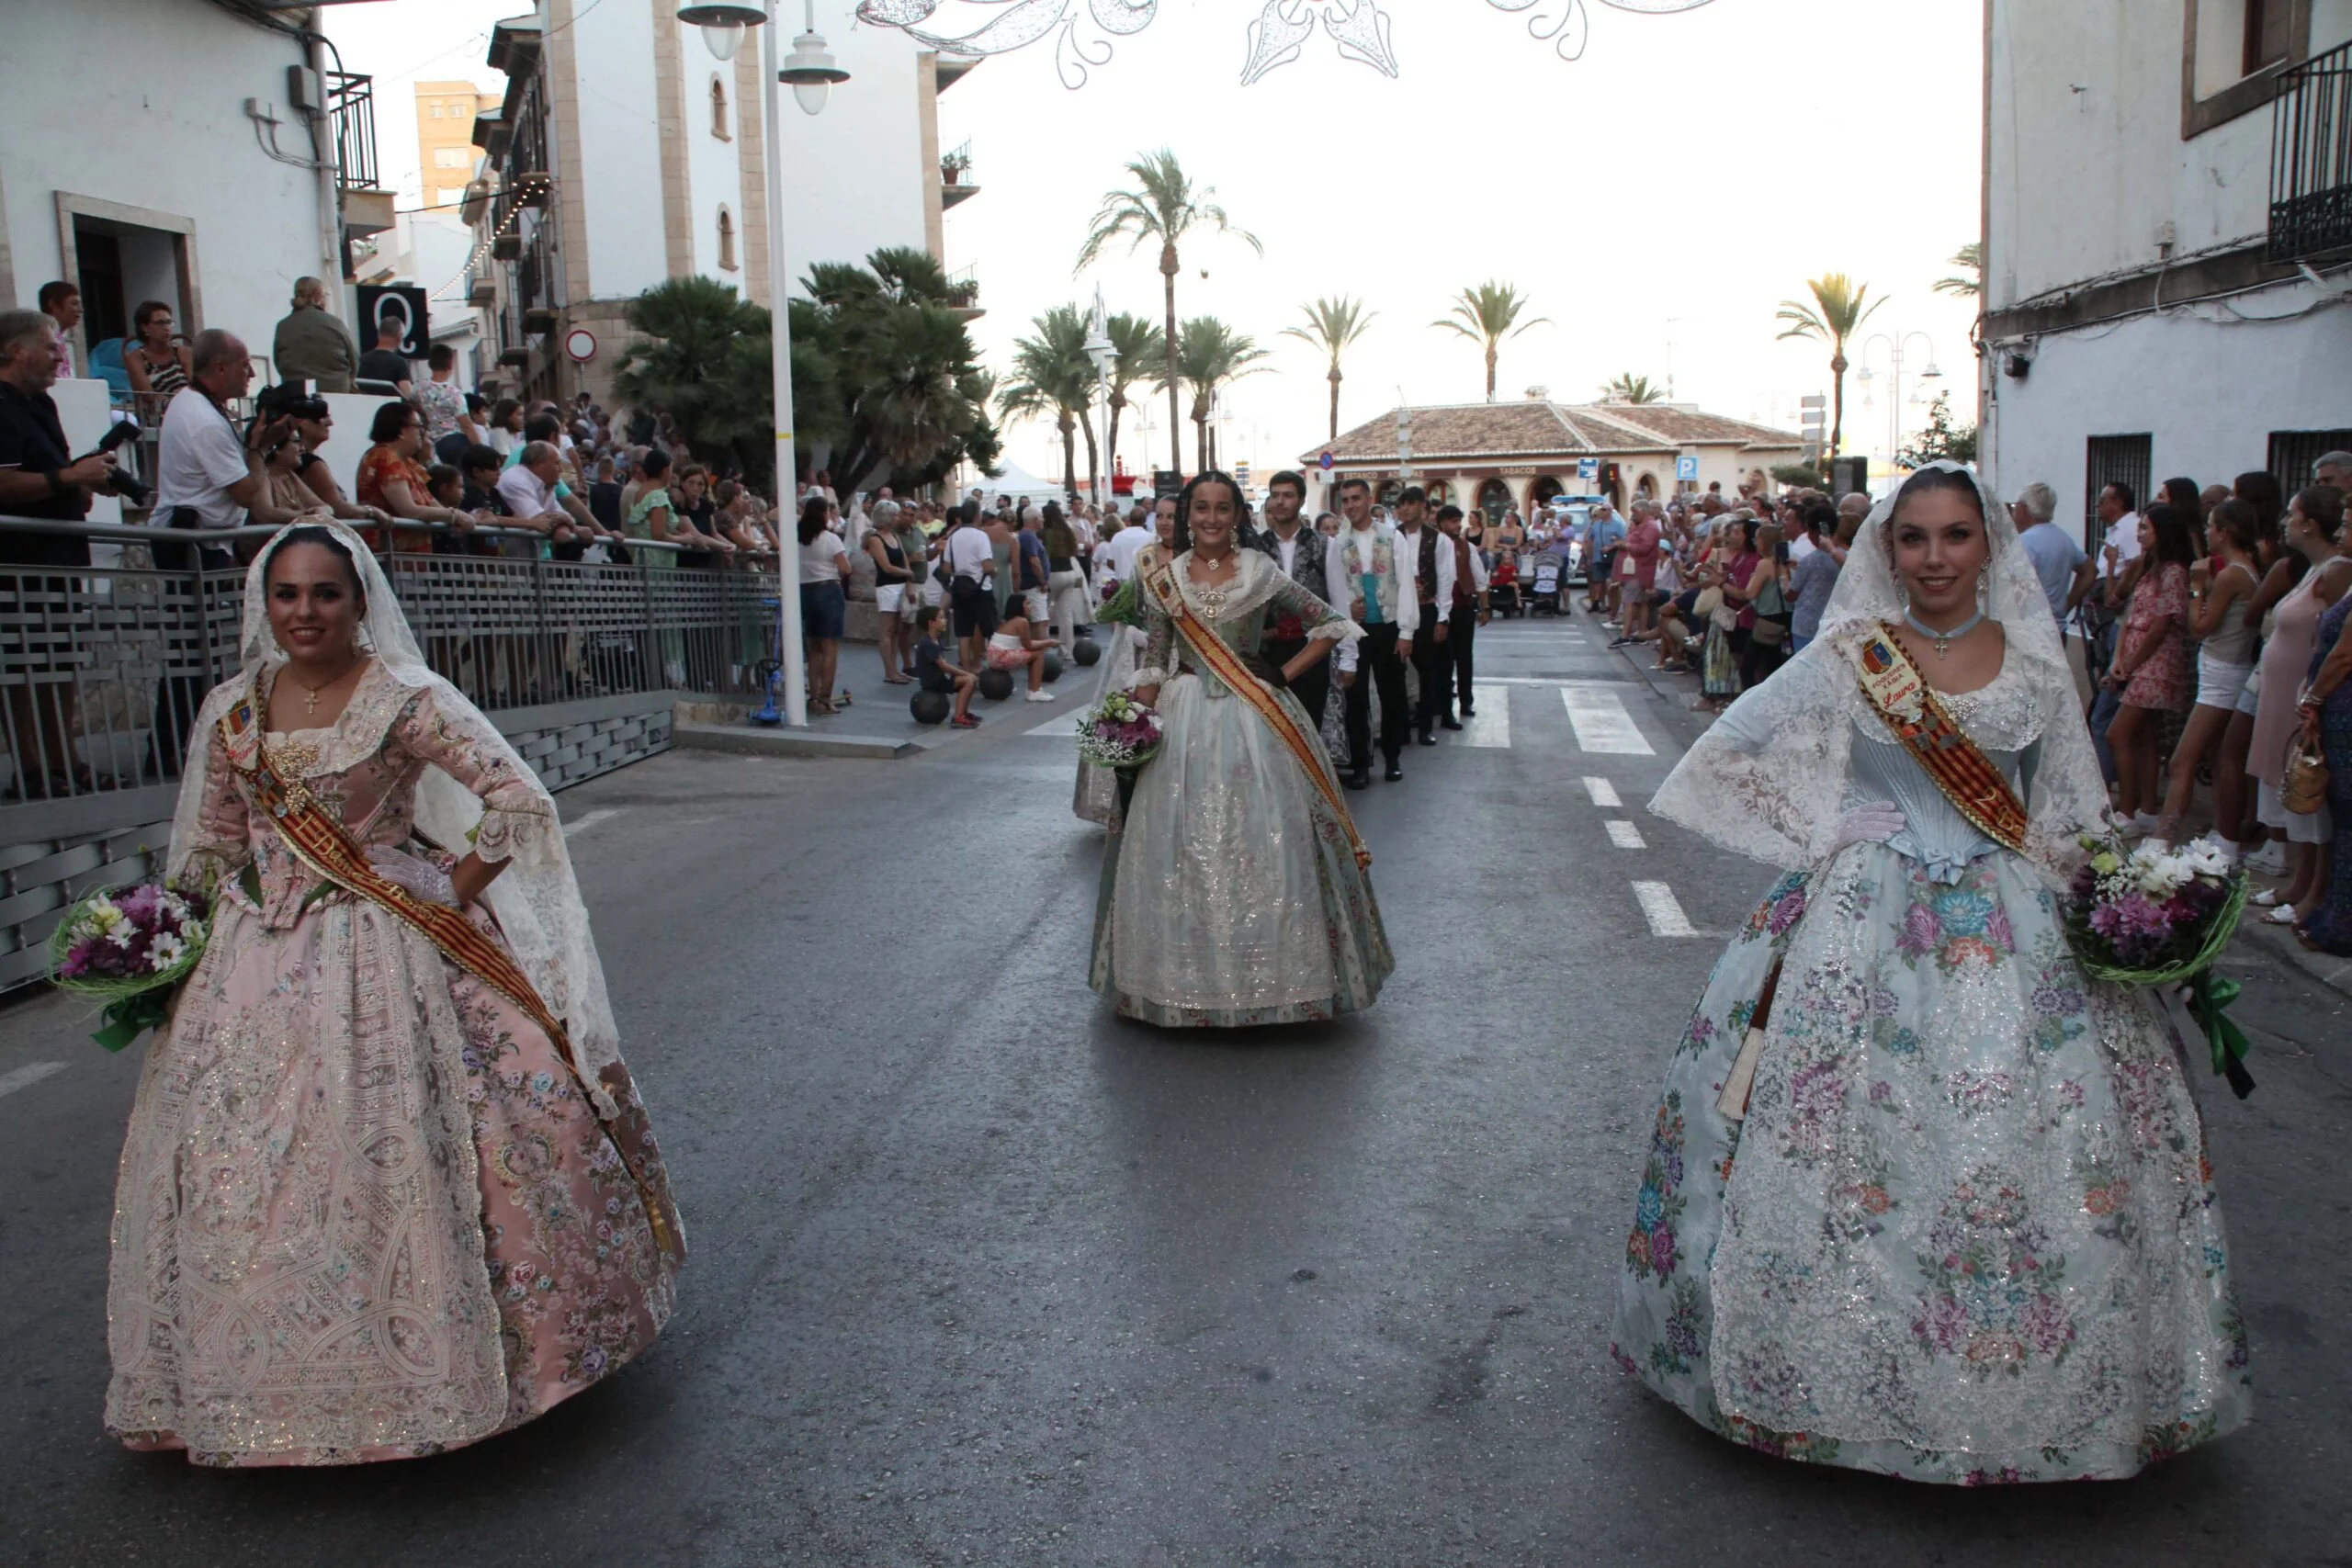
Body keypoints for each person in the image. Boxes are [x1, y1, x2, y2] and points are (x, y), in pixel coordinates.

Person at [1611, 462, 2249, 1484]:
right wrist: (1824, 825)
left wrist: (2135, 913)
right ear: (1887, 550)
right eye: (1913, 538)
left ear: (1988, 545)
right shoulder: (1850, 654)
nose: (1935, 557)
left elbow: (2073, 816)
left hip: (2018, 925)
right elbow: (1718, 758)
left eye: (1955, 536)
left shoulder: (2039, 669)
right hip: (1858, 921)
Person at [108, 521, 684, 1466]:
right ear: (265, 602)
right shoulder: (232, 712)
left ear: (360, 599)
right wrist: (166, 941)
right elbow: (211, 846)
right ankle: (252, 1381)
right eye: (287, 595)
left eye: (324, 594)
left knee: (431, 1142)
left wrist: (444, 886)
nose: (304, 612)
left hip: (384, 945)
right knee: (240, 1165)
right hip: (252, 966)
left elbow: (517, 800)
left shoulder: (403, 699)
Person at [1091, 470, 1389, 1025]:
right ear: (1187, 516)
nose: (1210, 519)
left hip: (1257, 721)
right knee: (1179, 847)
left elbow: (1328, 623)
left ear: (1236, 515)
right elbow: (1155, 659)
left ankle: (1276, 986)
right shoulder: (1166, 578)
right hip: (1183, 726)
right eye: (1199, 509)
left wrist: (1281, 672)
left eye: (1221, 509)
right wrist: (1134, 726)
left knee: (1269, 842)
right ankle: (1178, 985)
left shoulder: (1260, 571)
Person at [0, 310, 125, 797]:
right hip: (20, 565)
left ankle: (65, 761)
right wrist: (69, 478)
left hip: (60, 558)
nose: (59, 356)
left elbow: (50, 476)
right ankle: (32, 769)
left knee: (61, 662)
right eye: (51, 346)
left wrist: (82, 480)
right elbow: (5, 481)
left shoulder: (42, 405)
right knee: (25, 667)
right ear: (16, 350)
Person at [2247, 485, 2346, 927]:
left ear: (2309, 522)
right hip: (2284, 689)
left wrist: (2314, 694)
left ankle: (2312, 890)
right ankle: (2295, 881)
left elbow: (2333, 639)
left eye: (2292, 514)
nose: (2285, 521)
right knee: (2287, 787)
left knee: (2310, 794)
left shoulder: (2338, 571)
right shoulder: (2311, 568)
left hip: (2306, 693)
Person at [2154, 499, 2264, 847]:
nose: (2206, 531)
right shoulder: (2240, 569)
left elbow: (2199, 625)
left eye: (2211, 525)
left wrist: (2197, 584)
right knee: (2219, 758)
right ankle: (2222, 832)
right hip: (2220, 671)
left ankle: (2162, 839)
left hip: (2223, 676)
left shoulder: (2234, 573)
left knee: (2182, 760)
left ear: (2225, 532)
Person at [2103, 504, 2197, 836]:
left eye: (2145, 528)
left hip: (2156, 661)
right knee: (2144, 737)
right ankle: (2146, 808)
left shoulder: (2174, 571)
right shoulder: (2148, 568)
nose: (2139, 533)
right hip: (2134, 655)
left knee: (2118, 733)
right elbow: (2129, 615)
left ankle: (2128, 809)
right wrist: (2119, 659)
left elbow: (2161, 625)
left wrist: (2130, 664)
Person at [1331, 476, 1417, 786]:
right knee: (1354, 698)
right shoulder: (1338, 542)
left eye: (1356, 498)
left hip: (1388, 626)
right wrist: (1345, 612)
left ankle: (1392, 757)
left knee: (1391, 693)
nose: (1351, 505)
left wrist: (1406, 631)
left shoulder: (1393, 537)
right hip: (1354, 630)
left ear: (1369, 500)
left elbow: (1405, 583)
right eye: (1346, 500)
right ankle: (1361, 763)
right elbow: (1335, 587)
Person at [1249, 470, 1339, 737]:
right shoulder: (1254, 547)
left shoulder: (1325, 545)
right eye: (1274, 495)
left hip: (1313, 648)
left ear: (1301, 500)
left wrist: (1348, 660)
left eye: (1287, 495)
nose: (1280, 502)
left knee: (1309, 728)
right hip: (1268, 650)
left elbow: (1338, 604)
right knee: (1272, 729)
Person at [355, 400, 471, 553]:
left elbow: (430, 502)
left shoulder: (407, 462)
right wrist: (454, 516)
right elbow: (408, 509)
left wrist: (460, 516)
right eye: (418, 427)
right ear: (401, 431)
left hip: (411, 557)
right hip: (392, 556)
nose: (422, 433)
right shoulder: (384, 457)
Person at [1391, 488, 1455, 747]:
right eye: (1401, 505)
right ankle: (1401, 727)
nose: (1405, 509)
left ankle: (1426, 725)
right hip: (1397, 610)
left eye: (1410, 504)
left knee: (1427, 669)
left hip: (1426, 608)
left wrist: (1443, 617)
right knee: (1396, 669)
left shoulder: (1439, 540)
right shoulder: (1392, 536)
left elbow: (1445, 580)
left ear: (1422, 507)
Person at [1431, 504, 1490, 727]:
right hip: (1440, 610)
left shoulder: (1467, 548)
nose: (1457, 525)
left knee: (1464, 657)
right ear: (1442, 523)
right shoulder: (1433, 546)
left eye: (1458, 521)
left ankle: (1467, 701)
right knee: (1442, 661)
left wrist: (1485, 608)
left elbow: (1480, 579)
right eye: (1452, 521)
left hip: (1463, 607)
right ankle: (1442, 705)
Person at [2010, 481, 2093, 631]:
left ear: (2022, 508)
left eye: (2015, 508)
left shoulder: (2025, 542)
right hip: (2056, 628)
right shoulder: (2063, 539)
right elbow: (2090, 570)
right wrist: (2066, 606)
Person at [797, 494, 850, 716]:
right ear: (824, 514)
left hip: (805, 591)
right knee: (830, 647)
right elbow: (846, 568)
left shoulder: (798, 537)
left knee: (814, 647)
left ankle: (813, 697)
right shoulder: (830, 539)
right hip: (828, 590)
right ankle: (826, 697)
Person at [271, 276, 358, 392]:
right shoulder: (335, 323)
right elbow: (354, 360)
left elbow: (278, 362)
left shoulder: (282, 326)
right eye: (325, 295)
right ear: (318, 296)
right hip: (336, 390)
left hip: (296, 393)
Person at [865, 498, 917, 682]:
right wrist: (908, 573)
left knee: (895, 629)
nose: (898, 518)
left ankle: (894, 668)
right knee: (886, 630)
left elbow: (903, 559)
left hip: (899, 585)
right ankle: (889, 671)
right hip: (887, 586)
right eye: (895, 515)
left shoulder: (894, 537)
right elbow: (886, 566)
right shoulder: (875, 539)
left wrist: (908, 580)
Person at [1784, 499, 1844, 654]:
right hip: (1835, 624)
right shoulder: (1845, 557)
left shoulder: (1810, 560)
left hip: (1807, 627)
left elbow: (1791, 595)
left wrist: (1783, 575)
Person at [910, 604, 980, 728]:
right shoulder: (927, 643)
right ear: (931, 623)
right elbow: (943, 665)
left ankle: (963, 712)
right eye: (941, 618)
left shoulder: (936, 640)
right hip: (932, 681)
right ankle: (957, 717)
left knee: (972, 679)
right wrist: (965, 673)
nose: (945, 621)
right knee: (969, 680)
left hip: (940, 677)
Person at [985, 598, 1058, 704]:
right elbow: (1029, 645)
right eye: (1027, 603)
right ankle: (1034, 691)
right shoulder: (1021, 621)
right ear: (1019, 606)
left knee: (1027, 651)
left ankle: (1026, 688)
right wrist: (1049, 643)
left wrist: (1046, 642)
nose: (1030, 606)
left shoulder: (1008, 621)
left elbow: (1025, 644)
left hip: (993, 657)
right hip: (1001, 657)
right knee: (1037, 654)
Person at [120, 299, 193, 406]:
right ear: (145, 327)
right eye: (160, 323)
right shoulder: (136, 357)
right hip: (158, 413)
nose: (166, 328)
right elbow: (148, 396)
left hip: (189, 404)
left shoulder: (183, 352)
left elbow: (196, 388)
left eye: (168, 322)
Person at [417, 343, 471, 463]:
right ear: (450, 364)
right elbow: (466, 424)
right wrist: (479, 447)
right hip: (453, 443)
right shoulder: (454, 393)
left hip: (428, 444)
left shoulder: (418, 390)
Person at [356, 315, 414, 396]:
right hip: (389, 407)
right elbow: (408, 394)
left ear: (379, 334)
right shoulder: (400, 363)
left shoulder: (361, 360)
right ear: (400, 336)